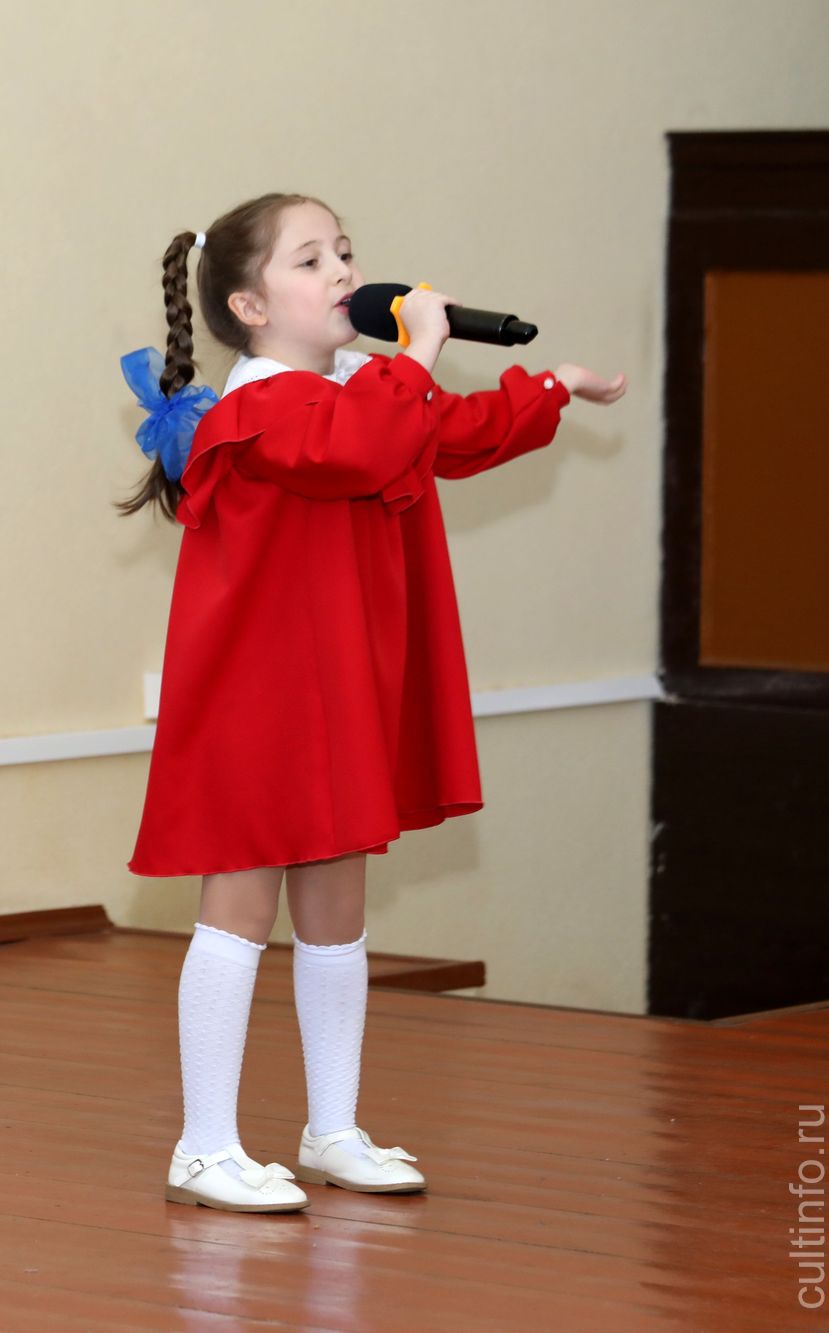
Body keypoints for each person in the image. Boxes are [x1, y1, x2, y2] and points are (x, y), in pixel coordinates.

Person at [119, 193, 626, 1213]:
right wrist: (418, 350)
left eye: (344, 252)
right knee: (239, 905)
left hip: (335, 687)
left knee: (335, 909)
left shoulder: (357, 388)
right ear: (249, 307)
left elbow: (451, 433)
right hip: (259, 695)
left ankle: (333, 1128)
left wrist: (551, 387)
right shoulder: (258, 408)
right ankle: (203, 1144)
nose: (344, 272)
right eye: (310, 260)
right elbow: (356, 444)